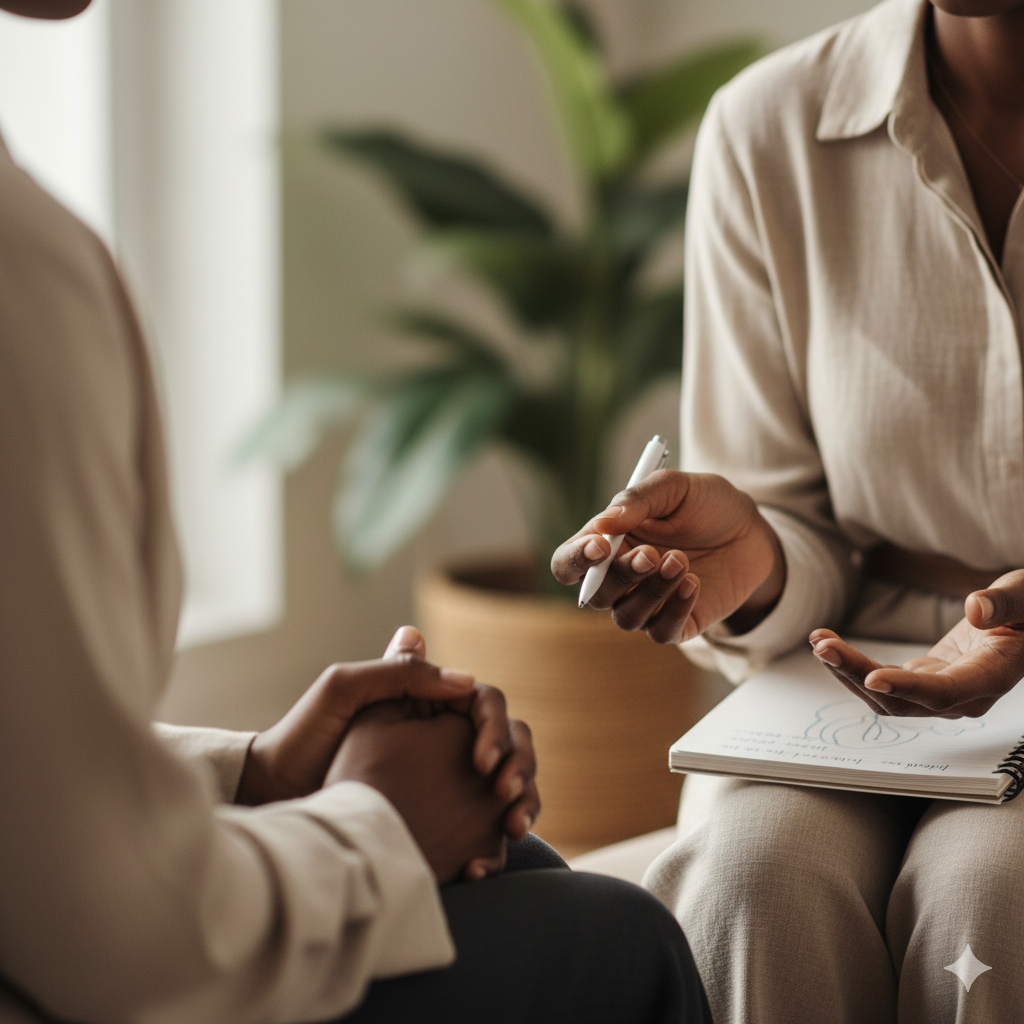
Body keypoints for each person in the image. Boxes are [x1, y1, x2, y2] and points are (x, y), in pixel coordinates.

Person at [0, 2, 714, 1022]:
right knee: (618, 939)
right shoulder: (19, 270)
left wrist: (253, 774)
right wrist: (369, 822)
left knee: (520, 865)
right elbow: (111, 946)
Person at [552, 0, 1024, 1021]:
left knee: (990, 892)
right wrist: (752, 560)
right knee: (752, 877)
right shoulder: (767, 128)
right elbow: (800, 530)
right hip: (836, 678)